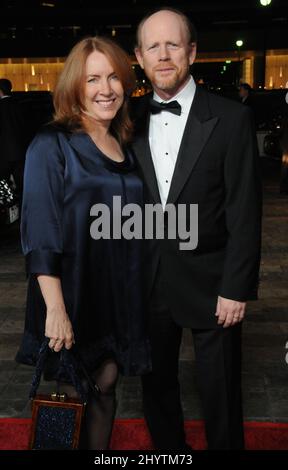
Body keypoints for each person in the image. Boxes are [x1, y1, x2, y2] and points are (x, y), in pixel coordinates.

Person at [132, 7, 262, 450]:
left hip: (214, 285)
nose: (163, 55)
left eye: (173, 44)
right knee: (157, 388)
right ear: (140, 56)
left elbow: (244, 211)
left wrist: (236, 286)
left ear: (191, 51)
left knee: (220, 393)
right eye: (154, 46)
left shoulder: (230, 118)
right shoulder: (126, 121)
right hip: (148, 284)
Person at [16, 36, 151, 450]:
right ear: (75, 85)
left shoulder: (125, 145)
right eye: (93, 78)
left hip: (114, 295)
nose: (105, 89)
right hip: (69, 294)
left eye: (113, 77)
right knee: (68, 398)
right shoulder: (50, 144)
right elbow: (40, 231)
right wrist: (55, 309)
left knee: (106, 389)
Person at [0, 78, 27, 196]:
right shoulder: (20, 106)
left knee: (3, 185)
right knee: (22, 186)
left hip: (3, 155)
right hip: (20, 153)